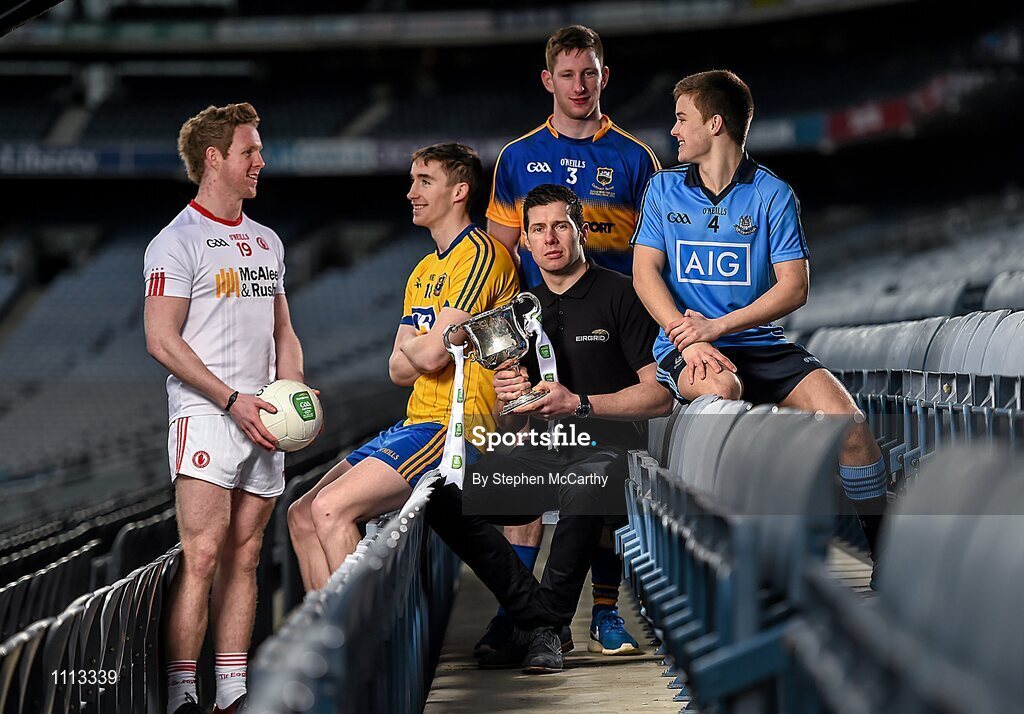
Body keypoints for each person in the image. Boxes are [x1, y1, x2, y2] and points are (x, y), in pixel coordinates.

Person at [631, 70, 887, 577]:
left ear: (715, 124)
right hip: (689, 348)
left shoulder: (773, 193)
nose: (674, 130)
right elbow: (644, 274)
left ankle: (886, 551)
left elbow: (794, 287)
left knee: (852, 427)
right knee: (722, 393)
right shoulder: (662, 189)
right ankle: (736, 565)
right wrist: (688, 339)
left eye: (682, 119)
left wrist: (718, 327)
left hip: (759, 344)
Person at [426, 184, 676, 673]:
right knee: (441, 496)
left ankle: (542, 627)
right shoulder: (521, 310)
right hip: (543, 455)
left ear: (582, 231)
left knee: (586, 481)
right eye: (538, 229)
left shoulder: (622, 293)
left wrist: (579, 404)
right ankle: (541, 618)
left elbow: (659, 396)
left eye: (561, 226)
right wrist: (510, 399)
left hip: (608, 456)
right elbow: (512, 422)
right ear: (524, 240)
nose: (550, 238)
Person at [482, 22, 661, 658]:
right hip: (540, 331)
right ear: (548, 80)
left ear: (604, 77)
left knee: (600, 474)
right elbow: (498, 261)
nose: (579, 85)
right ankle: (519, 612)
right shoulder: (516, 158)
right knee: (515, 477)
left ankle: (598, 613)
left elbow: (653, 256)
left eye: (589, 73)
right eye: (567, 75)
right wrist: (499, 348)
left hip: (611, 329)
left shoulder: (636, 159)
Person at [287, 143, 518, 590]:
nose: (411, 192)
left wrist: (420, 345)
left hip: (456, 428)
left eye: (424, 181)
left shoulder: (481, 255)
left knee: (330, 509)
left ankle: (354, 632)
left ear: (459, 191)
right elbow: (397, 370)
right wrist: (425, 345)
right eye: (412, 181)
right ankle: (327, 628)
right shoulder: (423, 271)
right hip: (416, 422)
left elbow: (428, 357)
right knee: (301, 514)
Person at [144, 102, 305, 714]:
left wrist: (292, 391)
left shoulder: (268, 240)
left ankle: (232, 691)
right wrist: (231, 399)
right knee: (204, 555)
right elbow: (162, 340)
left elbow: (283, 330)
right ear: (214, 158)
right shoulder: (175, 242)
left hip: (263, 417)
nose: (261, 160)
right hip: (209, 415)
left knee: (247, 554)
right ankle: (183, 693)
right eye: (250, 151)